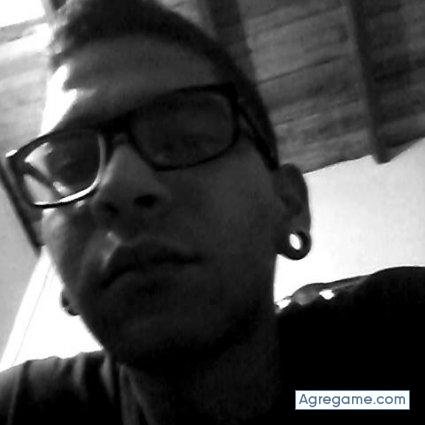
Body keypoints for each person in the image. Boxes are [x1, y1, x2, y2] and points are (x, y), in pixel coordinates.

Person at [0, 0, 424, 423]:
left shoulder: (396, 343)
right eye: (71, 166)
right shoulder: (25, 408)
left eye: (186, 139)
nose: (117, 186)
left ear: (288, 204)